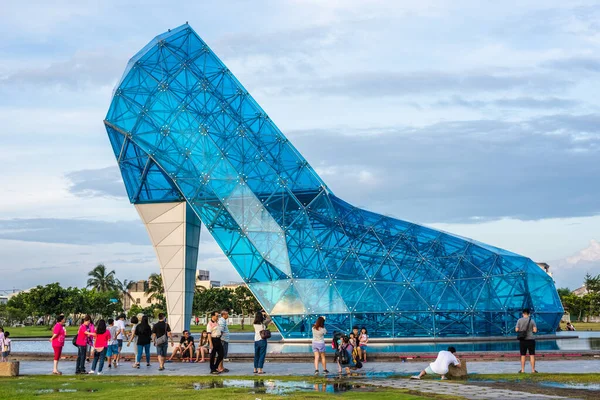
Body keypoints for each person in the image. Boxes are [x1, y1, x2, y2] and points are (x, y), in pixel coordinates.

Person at [516, 308, 538, 373]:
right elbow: (535, 330)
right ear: (529, 314)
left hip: (523, 340)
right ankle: (533, 370)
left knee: (523, 355)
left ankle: (522, 370)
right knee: (532, 355)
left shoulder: (519, 320)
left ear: (523, 314)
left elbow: (516, 330)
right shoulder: (532, 321)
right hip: (531, 339)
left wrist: (521, 330)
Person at [253, 310, 271, 375]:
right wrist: (265, 314)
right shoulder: (263, 324)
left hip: (256, 340)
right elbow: (269, 319)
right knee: (262, 355)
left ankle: (255, 369)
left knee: (256, 355)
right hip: (262, 340)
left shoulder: (254, 324)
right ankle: (260, 369)